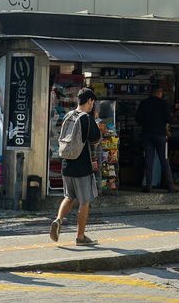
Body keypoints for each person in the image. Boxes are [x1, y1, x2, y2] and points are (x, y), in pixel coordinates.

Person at [50, 87, 108, 245]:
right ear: (89, 101)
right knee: (84, 202)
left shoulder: (69, 115)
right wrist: (96, 122)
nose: (91, 105)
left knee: (69, 197)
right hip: (82, 166)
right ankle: (80, 237)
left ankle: (58, 220)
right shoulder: (86, 118)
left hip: (66, 164)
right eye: (92, 103)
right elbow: (95, 139)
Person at [136, 84, 177, 193]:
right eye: (161, 92)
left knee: (148, 160)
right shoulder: (163, 104)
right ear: (158, 92)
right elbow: (169, 119)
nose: (162, 94)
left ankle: (148, 185)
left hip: (147, 134)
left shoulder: (144, 103)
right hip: (160, 135)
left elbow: (138, 119)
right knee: (163, 159)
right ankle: (170, 185)